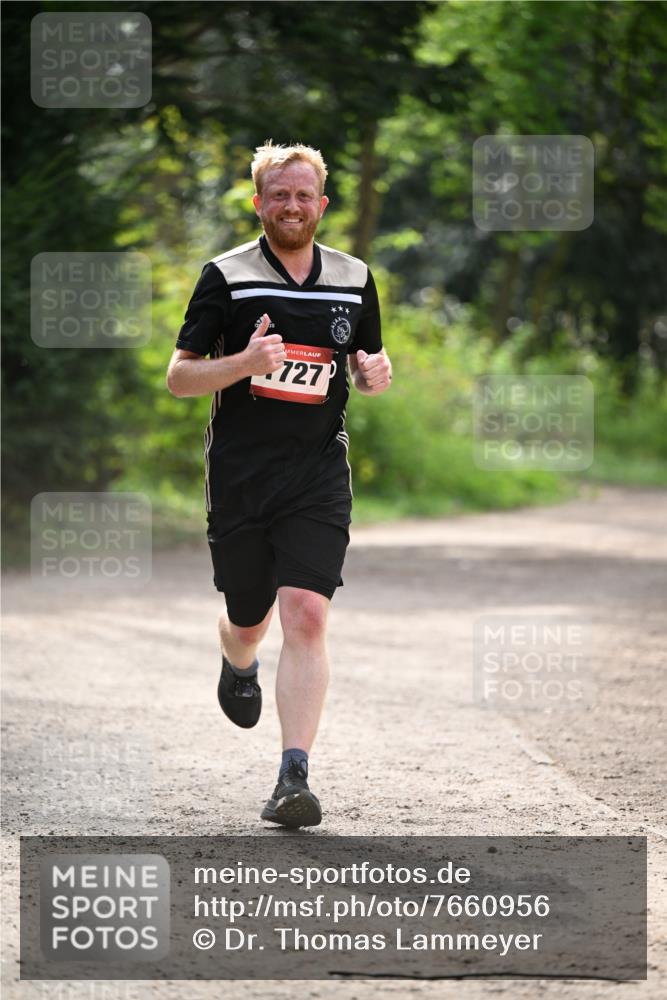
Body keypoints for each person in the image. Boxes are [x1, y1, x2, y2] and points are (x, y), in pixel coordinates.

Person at [166, 141, 392, 828]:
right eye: (278, 195)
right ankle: (238, 661)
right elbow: (179, 377)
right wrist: (243, 361)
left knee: (307, 613)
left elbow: (362, 359)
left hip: (316, 474)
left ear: (321, 204)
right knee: (249, 619)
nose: (291, 206)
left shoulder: (353, 276)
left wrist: (374, 374)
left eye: (303, 195)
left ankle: (293, 776)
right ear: (258, 201)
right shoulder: (226, 277)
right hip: (239, 477)